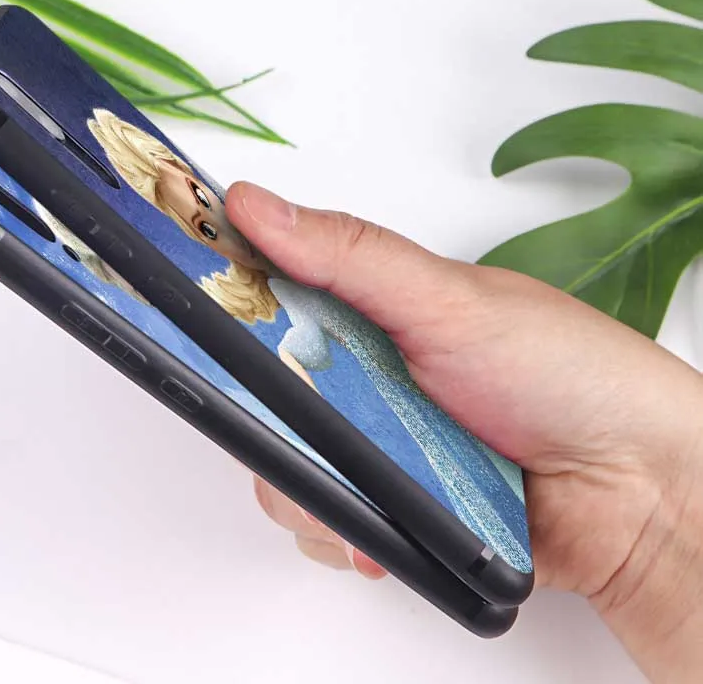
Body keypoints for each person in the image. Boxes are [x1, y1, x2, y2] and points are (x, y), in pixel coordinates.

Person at [224, 181, 703, 683]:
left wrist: (655, 506)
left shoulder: (290, 304)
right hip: (410, 419)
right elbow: (303, 374)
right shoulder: (287, 324)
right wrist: (648, 525)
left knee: (453, 497)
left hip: (415, 412)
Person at [87, 108, 531, 572]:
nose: (215, 215)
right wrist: (293, 375)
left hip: (419, 403)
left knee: (468, 506)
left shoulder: (292, 268)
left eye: (200, 192)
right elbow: (311, 347)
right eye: (204, 229)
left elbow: (319, 340)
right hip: (405, 409)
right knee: (461, 508)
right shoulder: (281, 292)